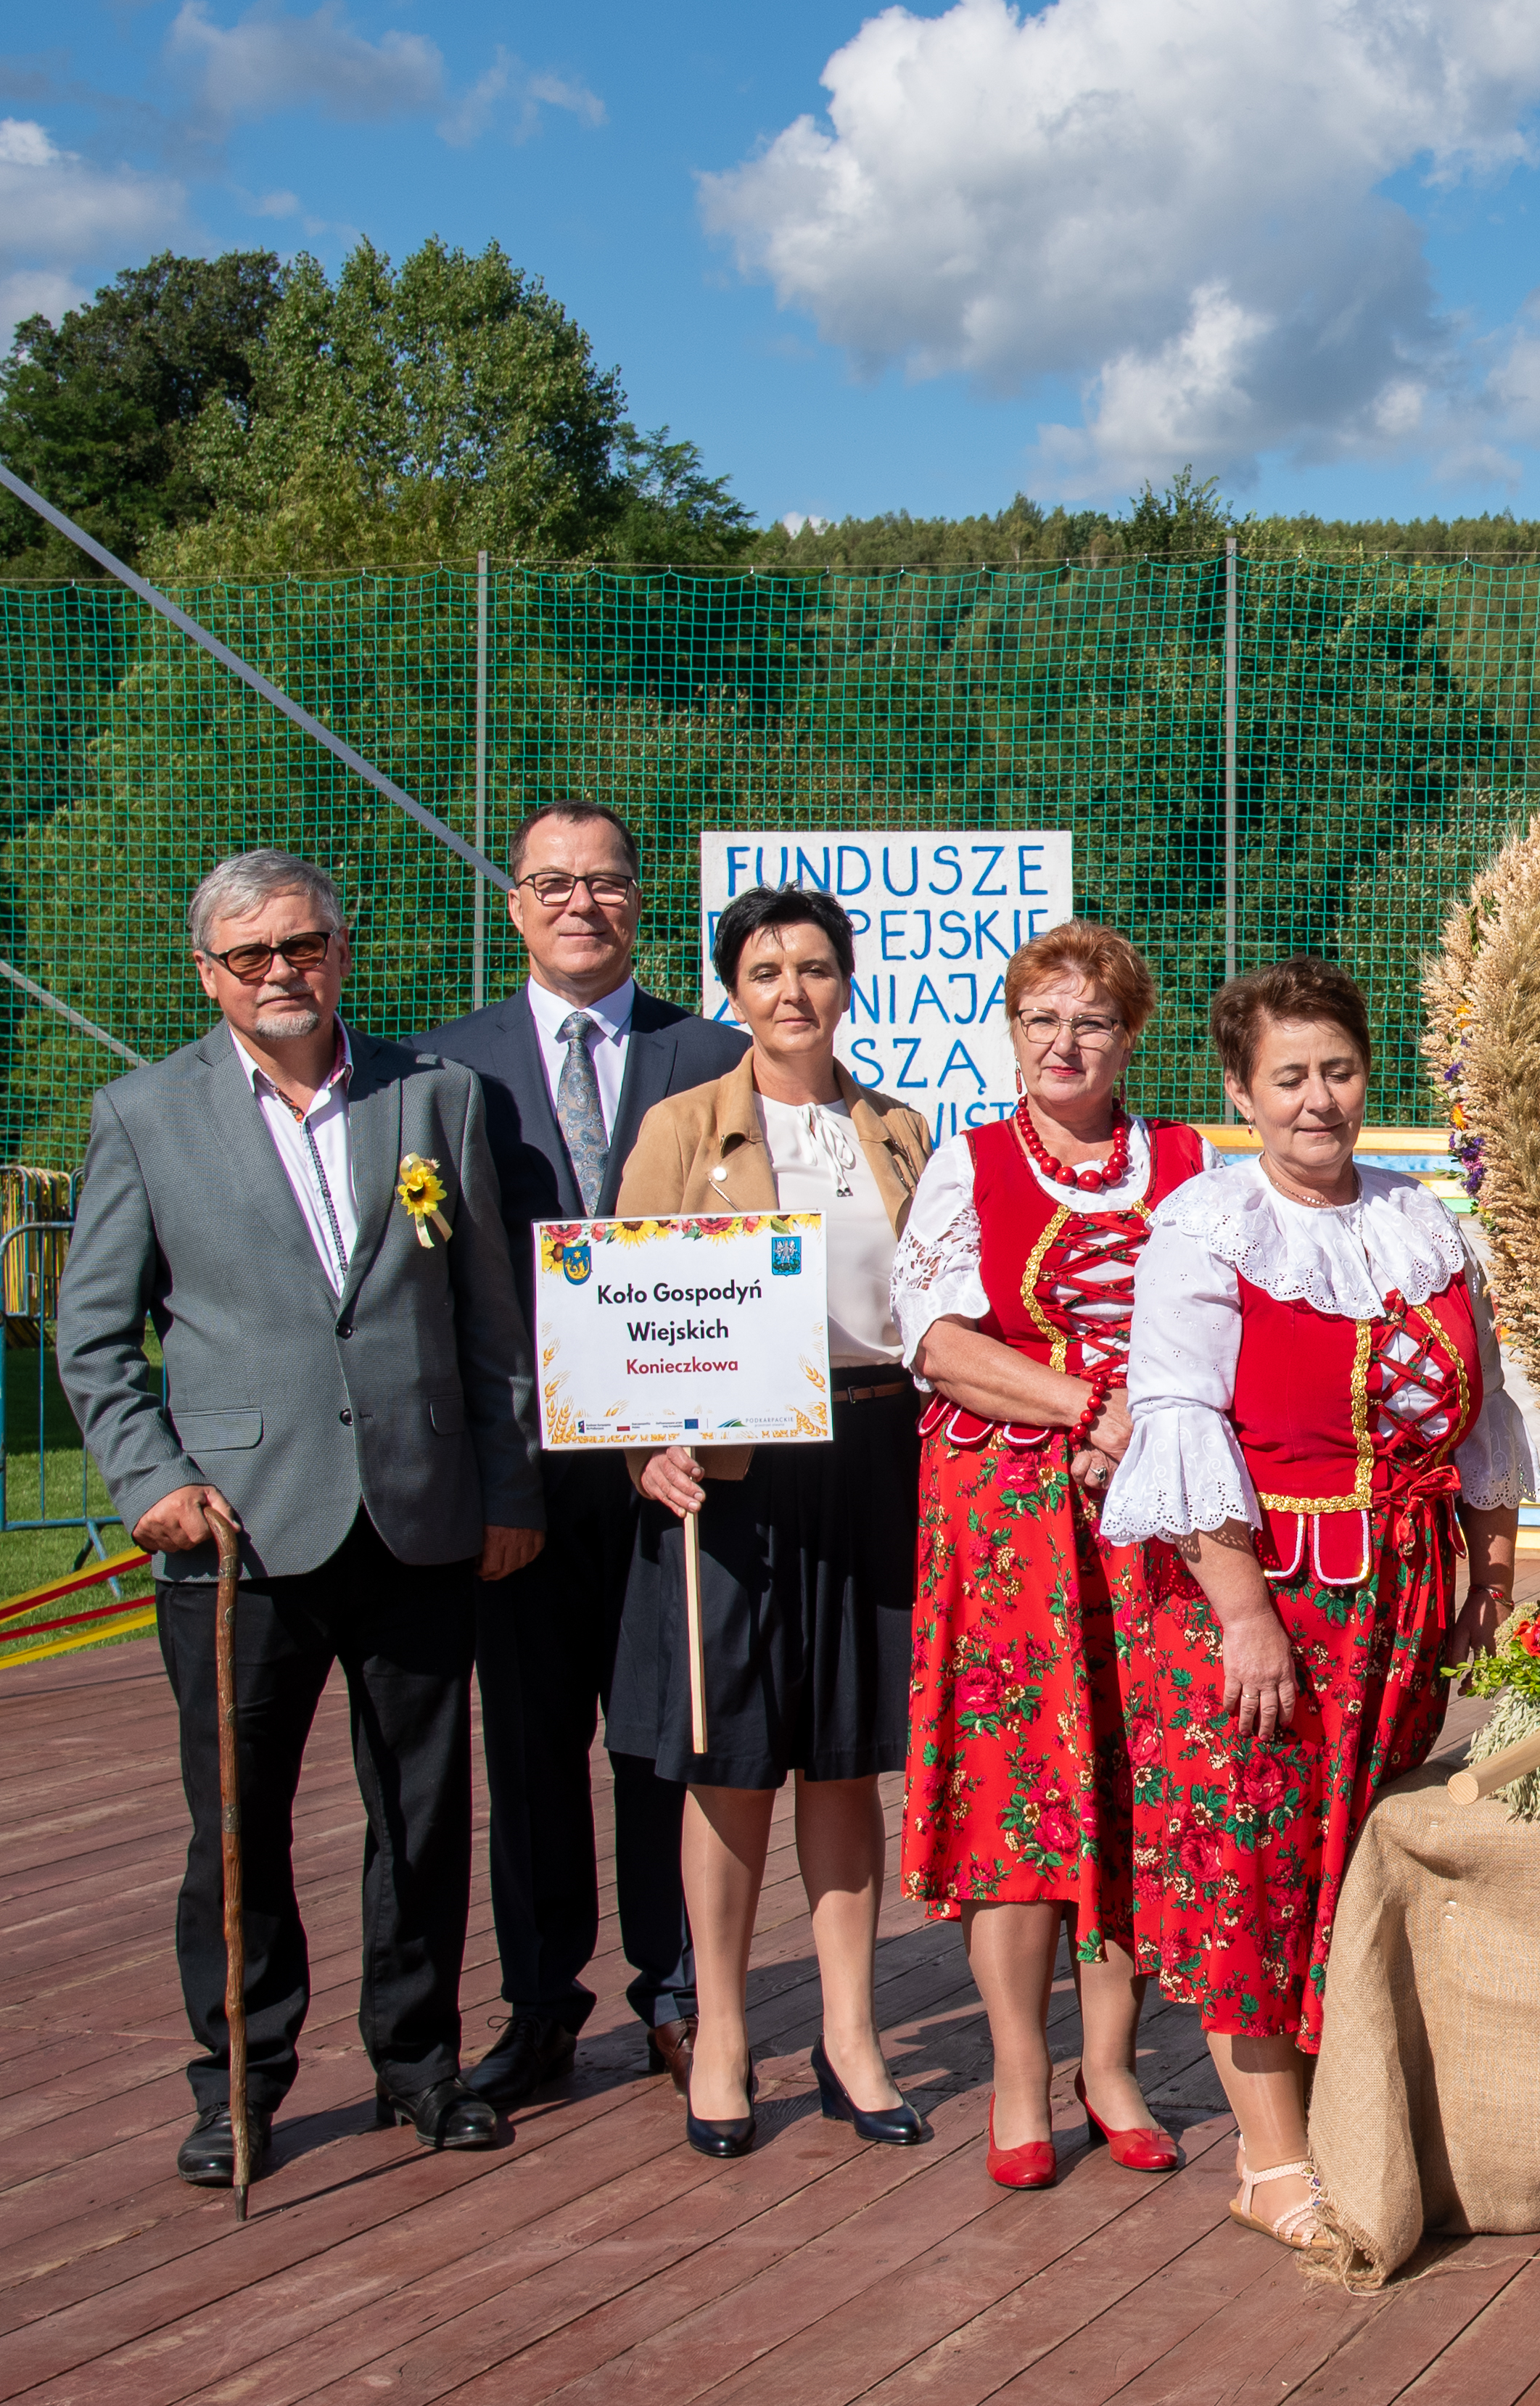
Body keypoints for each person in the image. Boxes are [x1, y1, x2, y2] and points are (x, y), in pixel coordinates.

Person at [59, 849, 544, 2183]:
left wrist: (507, 1487)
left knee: (425, 1813)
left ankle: (420, 2062)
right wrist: (149, 1478)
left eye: (307, 945)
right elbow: (93, 1338)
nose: (285, 972)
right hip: (238, 1536)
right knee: (237, 1822)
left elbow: (491, 1319)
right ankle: (240, 2081)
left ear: (344, 949)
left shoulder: (436, 1098)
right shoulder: (144, 1115)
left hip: (423, 1514)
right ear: (208, 970)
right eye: (253, 953)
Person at [1098, 955, 1532, 2252]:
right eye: (1287, 1077)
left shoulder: (1428, 1221)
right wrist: (1243, 1613)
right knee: (1254, 1866)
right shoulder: (1207, 1225)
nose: (1317, 1100)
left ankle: (1353, 2114)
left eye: (1336, 1070)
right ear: (1241, 1089)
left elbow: (1485, 1417)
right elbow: (1176, 1425)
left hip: (1396, 1613)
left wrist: (1489, 1572)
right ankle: (1269, 2160)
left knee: (1352, 1872)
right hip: (1262, 1609)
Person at [416, 799, 746, 2106]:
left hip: (676, 1474)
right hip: (525, 1476)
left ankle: (678, 1997)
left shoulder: (717, 1053)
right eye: (551, 882)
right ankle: (541, 2006)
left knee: (666, 1740)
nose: (578, 904)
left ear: (636, 901)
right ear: (514, 903)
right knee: (533, 1751)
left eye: (603, 882)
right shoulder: (439, 1070)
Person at [608, 884, 933, 2159]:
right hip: (732, 1478)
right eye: (764, 970)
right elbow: (621, 1314)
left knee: (847, 1759)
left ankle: (849, 2034)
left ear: (846, 983)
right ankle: (729, 2030)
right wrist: (648, 1445)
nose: (790, 990)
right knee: (728, 1761)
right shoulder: (682, 1126)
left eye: (812, 967)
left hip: (870, 1455)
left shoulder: (899, 1129)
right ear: (730, 991)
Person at [892, 921, 1209, 2191]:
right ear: (1012, 1032)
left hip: (1146, 1517)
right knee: (1019, 1794)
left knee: (1132, 1787)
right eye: (1040, 1020)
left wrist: (1145, 1426)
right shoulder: (969, 1164)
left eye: (1089, 1021)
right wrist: (1088, 1406)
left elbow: (1216, 1326)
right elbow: (935, 1339)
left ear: (1130, 1037)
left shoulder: (1187, 1163)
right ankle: (1021, 2073)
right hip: (1006, 1519)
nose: (1062, 1043)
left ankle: (1113, 2063)